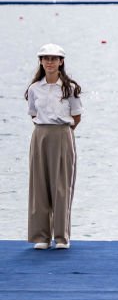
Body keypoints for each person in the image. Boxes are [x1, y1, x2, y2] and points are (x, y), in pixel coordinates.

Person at [25, 44, 82, 250]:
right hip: (40, 134)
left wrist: (62, 134)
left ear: (61, 62)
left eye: (54, 58)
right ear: (40, 61)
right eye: (45, 58)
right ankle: (41, 236)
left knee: (61, 186)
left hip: (62, 134)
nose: (49, 62)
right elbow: (33, 113)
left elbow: (76, 116)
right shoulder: (34, 89)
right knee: (39, 186)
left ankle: (61, 237)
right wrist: (45, 129)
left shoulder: (70, 88)